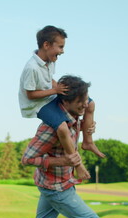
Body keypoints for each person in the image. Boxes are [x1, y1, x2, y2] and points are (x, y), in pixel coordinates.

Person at [21, 75, 106, 218]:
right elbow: (27, 159)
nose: (84, 104)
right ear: (65, 102)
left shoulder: (74, 118)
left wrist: (86, 128)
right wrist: (63, 161)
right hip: (57, 189)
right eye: (79, 101)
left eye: (85, 99)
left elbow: (74, 129)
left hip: (53, 183)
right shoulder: (50, 128)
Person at [18, 26, 105, 179]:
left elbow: (48, 80)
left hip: (50, 96)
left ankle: (88, 142)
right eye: (60, 46)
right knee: (63, 128)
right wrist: (55, 91)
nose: (62, 51)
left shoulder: (50, 61)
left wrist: (64, 89)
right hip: (38, 105)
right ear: (46, 45)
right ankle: (77, 165)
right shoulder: (31, 68)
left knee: (89, 103)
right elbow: (30, 95)